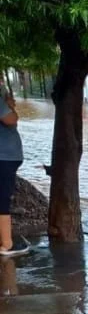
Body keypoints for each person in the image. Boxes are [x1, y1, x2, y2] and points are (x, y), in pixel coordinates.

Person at [0, 85, 30, 257]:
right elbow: (11, 119)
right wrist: (9, 105)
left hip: (5, 157)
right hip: (4, 157)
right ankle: (7, 244)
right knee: (3, 198)